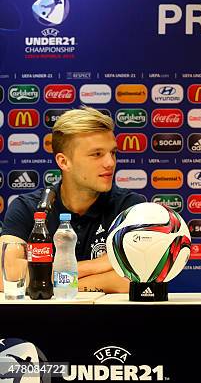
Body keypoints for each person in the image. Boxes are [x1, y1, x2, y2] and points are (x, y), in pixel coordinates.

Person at [0, 106, 145, 293]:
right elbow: (7, 273)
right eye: (97, 154)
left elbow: (137, 279)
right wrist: (99, 265)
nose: (110, 162)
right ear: (63, 162)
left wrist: (49, 278)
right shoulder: (27, 207)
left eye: (113, 152)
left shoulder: (131, 208)